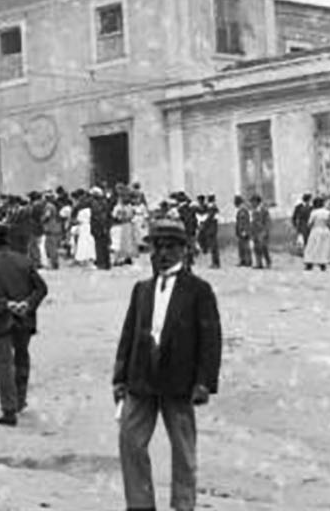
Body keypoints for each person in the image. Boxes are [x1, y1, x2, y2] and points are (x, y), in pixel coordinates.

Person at [112, 218, 222, 511]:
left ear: (184, 251)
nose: (162, 253)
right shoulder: (142, 289)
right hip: (141, 379)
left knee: (183, 451)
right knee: (130, 443)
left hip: (180, 381)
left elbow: (211, 339)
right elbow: (128, 334)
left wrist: (204, 382)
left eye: (170, 247)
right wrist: (119, 378)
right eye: (158, 247)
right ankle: (140, 504)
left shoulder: (199, 290)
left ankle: (183, 505)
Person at [0, 223, 47, 427]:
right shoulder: (24, 261)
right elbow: (42, 289)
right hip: (24, 317)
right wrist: (27, 304)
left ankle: (9, 409)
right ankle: (21, 400)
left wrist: (4, 305)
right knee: (22, 357)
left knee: (4, 363)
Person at [301, 197, 330, 271]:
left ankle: (309, 263)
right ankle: (323, 263)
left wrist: (310, 227)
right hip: (325, 230)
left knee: (312, 247)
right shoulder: (328, 212)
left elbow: (310, 223)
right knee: (324, 248)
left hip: (316, 230)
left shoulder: (314, 212)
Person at [248, 196, 273, 269]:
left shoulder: (264, 210)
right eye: (251, 202)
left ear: (257, 202)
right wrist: (251, 233)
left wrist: (265, 232)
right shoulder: (253, 211)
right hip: (255, 232)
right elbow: (252, 222)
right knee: (256, 248)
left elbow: (268, 222)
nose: (252, 204)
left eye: (253, 202)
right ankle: (259, 263)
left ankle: (268, 262)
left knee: (263, 248)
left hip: (262, 232)